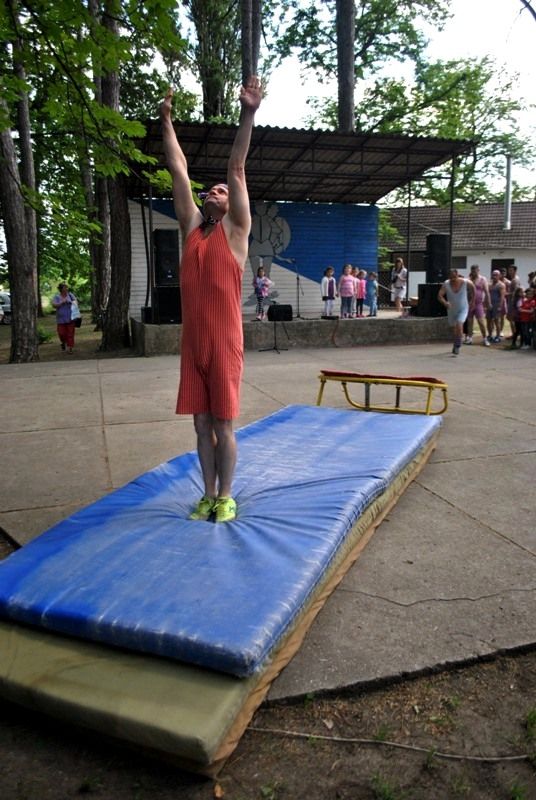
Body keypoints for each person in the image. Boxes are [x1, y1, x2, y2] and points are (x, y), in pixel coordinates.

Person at [160, 76, 262, 523]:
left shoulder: (236, 232)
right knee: (201, 424)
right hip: (194, 345)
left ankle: (226, 496)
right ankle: (206, 494)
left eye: (220, 191)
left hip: (224, 343)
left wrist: (248, 113)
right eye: (210, 191)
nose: (213, 192)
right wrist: (166, 121)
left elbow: (236, 168)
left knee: (223, 423)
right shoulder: (191, 232)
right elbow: (178, 169)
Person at [438, 268, 474, 355]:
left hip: (463, 308)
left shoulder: (465, 282)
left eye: (454, 277)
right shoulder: (446, 284)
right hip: (452, 310)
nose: (453, 279)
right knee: (454, 329)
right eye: (451, 277)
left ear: (457, 275)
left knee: (459, 324)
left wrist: (473, 301)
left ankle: (458, 345)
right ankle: (455, 343)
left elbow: (473, 288)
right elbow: (439, 295)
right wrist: (445, 303)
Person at [465, 264, 490, 346]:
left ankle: (485, 338)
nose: (474, 272)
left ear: (478, 271)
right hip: (469, 303)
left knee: (481, 321)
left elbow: (486, 292)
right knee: (470, 321)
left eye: (475, 271)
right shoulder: (469, 280)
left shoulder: (483, 279)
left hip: (479, 303)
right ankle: (469, 338)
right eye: (472, 271)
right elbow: (465, 291)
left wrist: (488, 303)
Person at [52, 282, 77, 353]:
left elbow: (76, 303)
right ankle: (63, 342)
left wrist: (71, 302)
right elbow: (54, 305)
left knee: (70, 334)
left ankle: (70, 348)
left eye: (66, 287)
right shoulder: (57, 297)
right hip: (61, 319)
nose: (66, 289)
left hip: (71, 318)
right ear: (61, 289)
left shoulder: (70, 295)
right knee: (61, 333)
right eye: (64, 287)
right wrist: (62, 302)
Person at [487, 270, 506, 344]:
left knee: (496, 320)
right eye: (493, 275)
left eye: (496, 275)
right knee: (488, 320)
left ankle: (498, 336)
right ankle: (490, 335)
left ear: (499, 276)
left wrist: (500, 306)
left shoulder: (501, 285)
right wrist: (486, 304)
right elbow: (487, 294)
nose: (494, 276)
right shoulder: (489, 284)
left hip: (497, 305)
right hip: (490, 305)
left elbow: (502, 296)